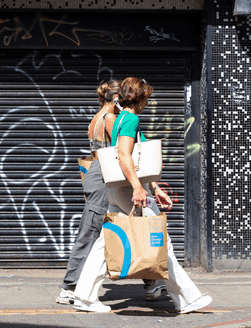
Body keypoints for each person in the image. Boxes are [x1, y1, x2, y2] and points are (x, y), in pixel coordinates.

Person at [72, 77, 213, 315]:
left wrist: (156, 189)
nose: (148, 102)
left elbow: (139, 158)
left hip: (118, 189)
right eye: (147, 97)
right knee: (161, 240)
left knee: (106, 241)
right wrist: (139, 188)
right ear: (140, 98)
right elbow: (124, 155)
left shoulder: (120, 119)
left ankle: (83, 296)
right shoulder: (131, 119)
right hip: (129, 190)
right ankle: (187, 298)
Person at [55, 80, 121, 306]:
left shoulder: (96, 118)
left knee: (121, 227)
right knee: (90, 232)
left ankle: (152, 281)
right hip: (103, 178)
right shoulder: (110, 119)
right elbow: (119, 151)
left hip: (97, 175)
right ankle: (69, 287)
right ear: (116, 100)